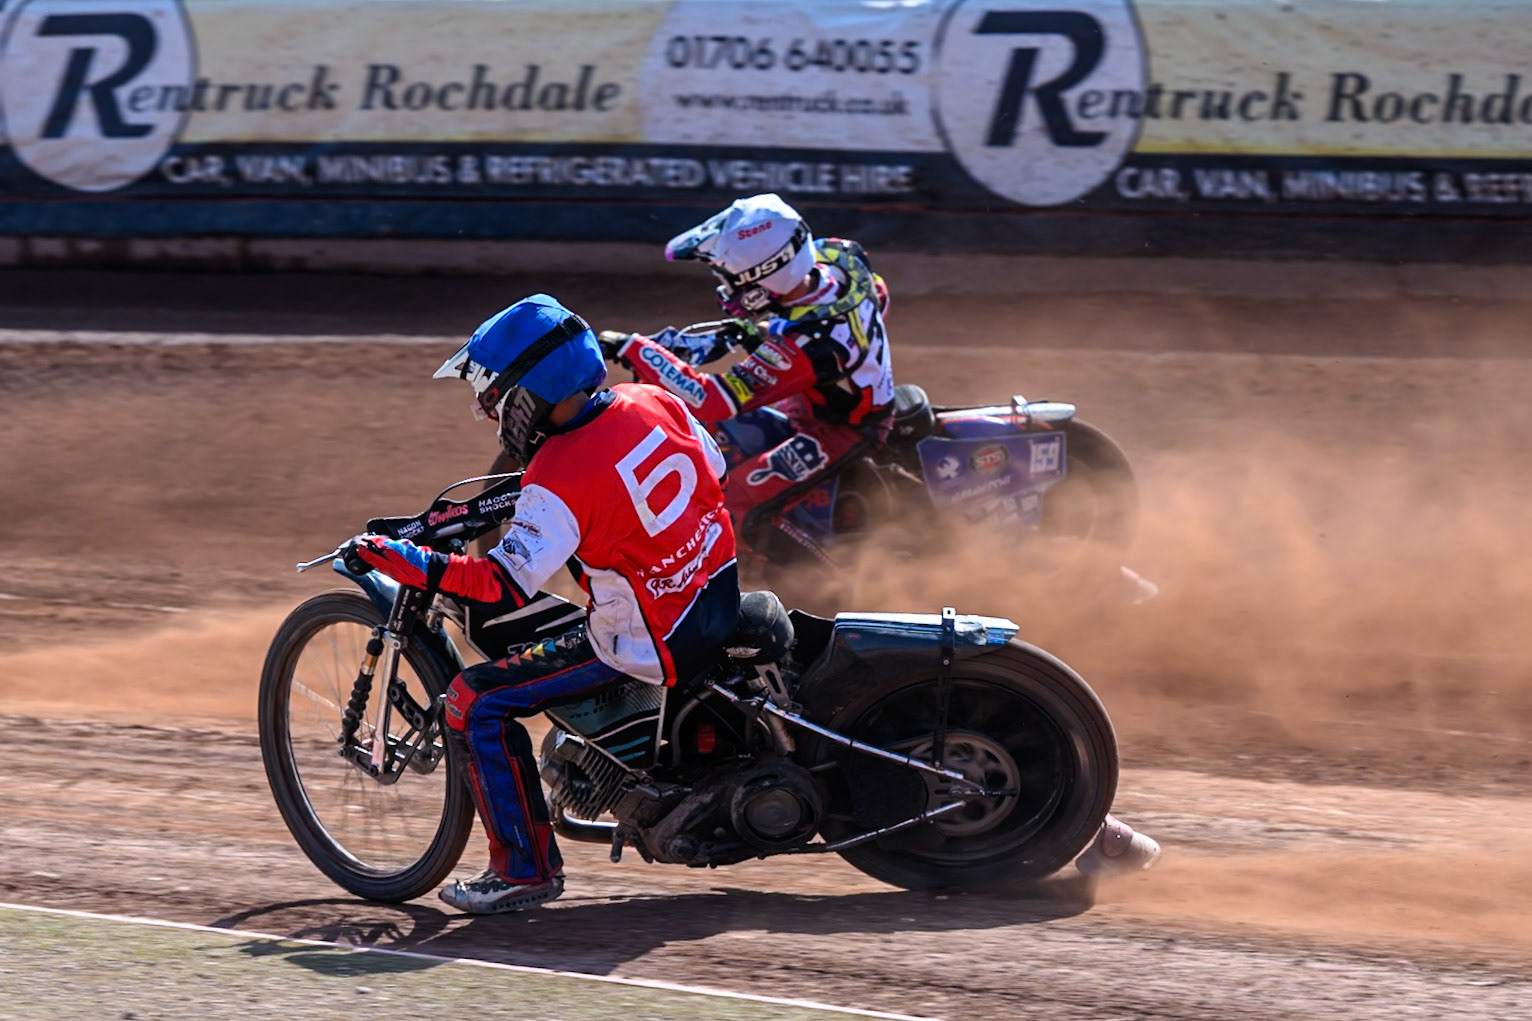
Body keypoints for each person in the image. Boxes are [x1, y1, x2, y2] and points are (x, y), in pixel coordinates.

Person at [344, 293, 740, 914]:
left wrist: (411, 563)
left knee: (474, 701)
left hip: (640, 638)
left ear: (529, 392)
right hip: (714, 592)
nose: (484, 407)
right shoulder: (651, 400)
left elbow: (501, 586)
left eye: (491, 392)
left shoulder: (556, 477)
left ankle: (525, 871)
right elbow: (713, 469)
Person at [604, 193, 894, 561]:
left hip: (837, 431)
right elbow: (880, 297)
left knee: (735, 507)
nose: (728, 288)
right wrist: (765, 334)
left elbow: (710, 400)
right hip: (829, 394)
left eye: (734, 280)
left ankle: (825, 583)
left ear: (769, 272)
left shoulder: (807, 345)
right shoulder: (840, 257)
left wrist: (635, 349)